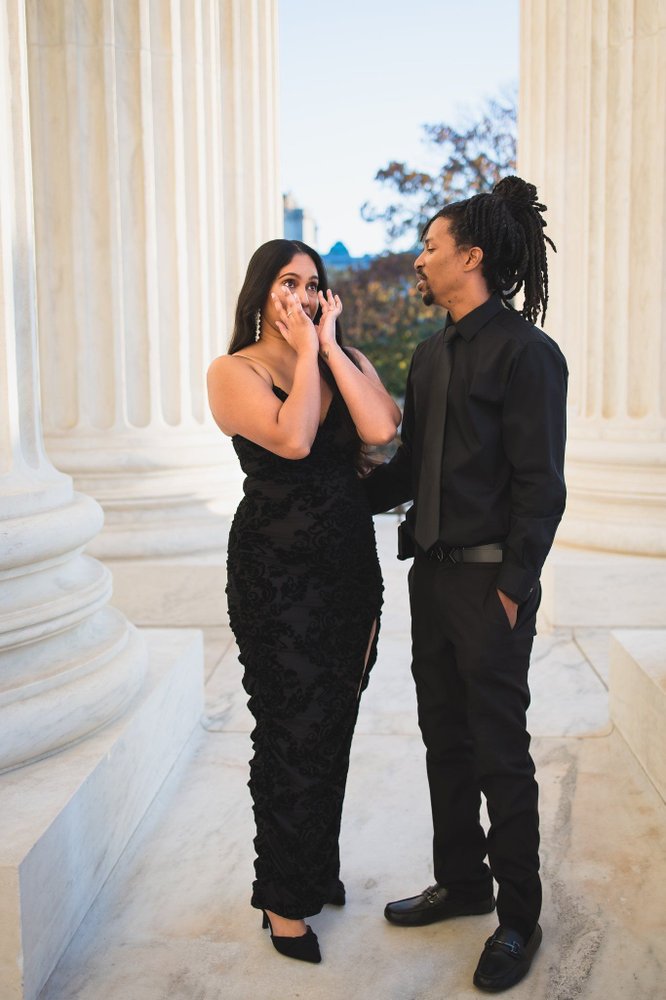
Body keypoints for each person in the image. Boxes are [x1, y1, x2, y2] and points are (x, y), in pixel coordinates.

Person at [364, 175, 568, 993]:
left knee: (499, 754)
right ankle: (462, 883)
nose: (419, 258)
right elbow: (409, 470)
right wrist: (328, 490)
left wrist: (514, 587)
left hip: (490, 590)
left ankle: (519, 918)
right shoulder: (429, 354)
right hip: (433, 582)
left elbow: (541, 487)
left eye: (431, 246)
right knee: (443, 741)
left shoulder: (528, 353)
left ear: (471, 256)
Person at [207, 239, 401, 965]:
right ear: (261, 292)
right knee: (291, 727)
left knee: (334, 723)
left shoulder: (340, 358)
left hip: (348, 566)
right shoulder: (234, 371)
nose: (305, 294)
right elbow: (294, 440)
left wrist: (327, 349)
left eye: (314, 283)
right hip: (275, 572)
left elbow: (382, 429)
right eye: (289, 282)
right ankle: (283, 899)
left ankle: (313, 867)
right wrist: (302, 355)